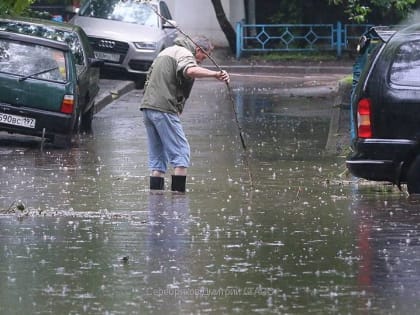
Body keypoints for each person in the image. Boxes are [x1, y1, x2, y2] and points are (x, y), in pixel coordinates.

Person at [140, 35, 230, 193]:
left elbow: (150, 79)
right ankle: (178, 201)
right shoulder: (184, 53)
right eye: (205, 55)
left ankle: (156, 203)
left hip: (148, 108)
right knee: (181, 153)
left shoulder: (166, 51)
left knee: (158, 158)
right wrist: (215, 74)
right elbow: (190, 70)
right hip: (163, 108)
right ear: (199, 49)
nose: (203, 60)